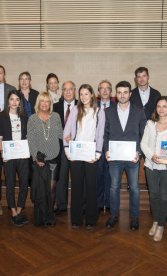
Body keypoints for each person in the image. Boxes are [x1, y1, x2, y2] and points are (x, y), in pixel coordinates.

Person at [104, 81, 147, 230]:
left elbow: (144, 134)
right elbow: (105, 134)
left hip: (132, 157)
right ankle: (114, 216)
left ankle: (134, 218)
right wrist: (106, 150)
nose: (122, 95)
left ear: (130, 94)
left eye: (125, 92)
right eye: (120, 92)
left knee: (134, 188)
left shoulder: (139, 111)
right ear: (116, 94)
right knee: (113, 187)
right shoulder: (108, 111)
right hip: (114, 158)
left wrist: (139, 152)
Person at [141, 96, 167, 241]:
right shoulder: (150, 124)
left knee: (164, 196)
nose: (161, 109)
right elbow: (143, 144)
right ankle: (155, 221)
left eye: (165, 106)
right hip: (151, 165)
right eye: (159, 106)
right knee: (153, 195)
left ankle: (161, 226)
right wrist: (151, 156)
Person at [63, 84, 105, 229]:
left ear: (92, 95)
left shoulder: (99, 112)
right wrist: (68, 151)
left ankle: (91, 220)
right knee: (76, 186)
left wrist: (98, 153)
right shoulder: (75, 110)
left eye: (86, 94)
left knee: (91, 187)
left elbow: (100, 134)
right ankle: (76, 219)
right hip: (75, 154)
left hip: (91, 154)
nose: (83, 97)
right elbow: (66, 132)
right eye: (81, 94)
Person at [27, 92, 63, 226]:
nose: (44, 103)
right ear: (38, 103)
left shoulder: (56, 117)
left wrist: (70, 137)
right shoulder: (32, 119)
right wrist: (36, 157)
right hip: (39, 159)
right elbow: (30, 140)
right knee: (40, 190)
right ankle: (40, 217)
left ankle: (50, 215)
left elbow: (61, 134)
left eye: (47, 101)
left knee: (51, 188)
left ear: (50, 103)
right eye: (42, 101)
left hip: (54, 157)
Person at [0, 91, 30, 227]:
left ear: (20, 102)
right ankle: (13, 212)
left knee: (24, 183)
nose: (14, 102)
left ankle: (20, 209)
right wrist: (3, 153)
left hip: (22, 155)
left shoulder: (24, 117)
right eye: (11, 99)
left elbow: (27, 136)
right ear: (8, 101)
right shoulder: (1, 117)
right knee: (9, 184)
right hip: (9, 156)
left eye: (17, 99)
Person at [53, 81, 77, 215]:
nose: (68, 92)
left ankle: (76, 205)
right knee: (61, 177)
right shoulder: (55, 107)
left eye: (71, 89)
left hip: (77, 148)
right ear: (62, 92)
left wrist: (74, 136)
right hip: (60, 148)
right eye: (65, 89)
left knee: (77, 177)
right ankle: (61, 205)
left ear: (75, 90)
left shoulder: (81, 105)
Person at [96, 80, 115, 213]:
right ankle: (97, 203)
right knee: (97, 175)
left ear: (111, 91)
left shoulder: (116, 107)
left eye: (107, 88)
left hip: (110, 146)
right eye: (102, 88)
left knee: (109, 176)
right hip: (95, 146)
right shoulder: (92, 106)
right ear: (98, 91)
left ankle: (108, 203)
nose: (104, 91)